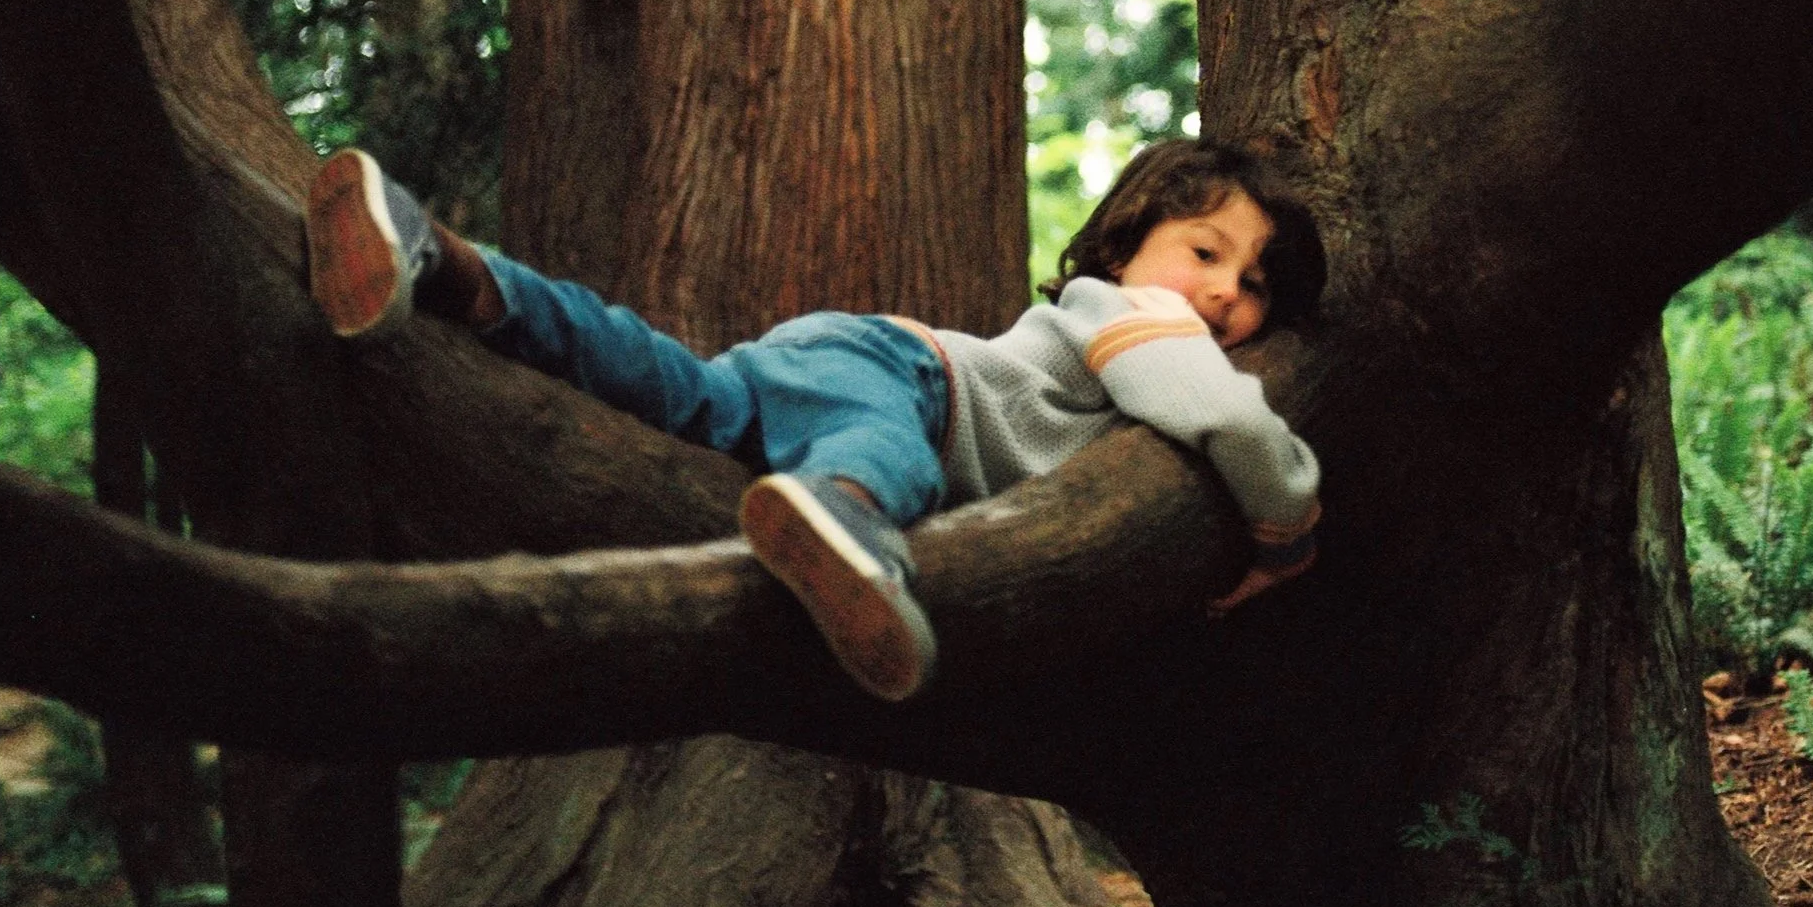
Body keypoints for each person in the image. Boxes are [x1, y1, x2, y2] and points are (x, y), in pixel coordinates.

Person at [305, 137, 1325, 705]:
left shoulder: (1140, 310)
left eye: (1253, 286)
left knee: (658, 378)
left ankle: (454, 267)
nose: (1225, 293)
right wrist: (1287, 530)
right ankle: (847, 518)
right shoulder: (1138, 314)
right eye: (1205, 252)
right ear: (1123, 246)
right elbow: (1225, 419)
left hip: (803, 372)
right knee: (884, 460)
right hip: (909, 384)